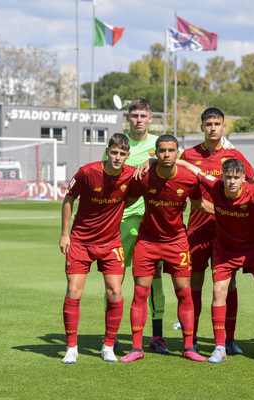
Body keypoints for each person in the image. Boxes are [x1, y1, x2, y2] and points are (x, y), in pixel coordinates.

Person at [179, 157, 254, 364]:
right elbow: (193, 169)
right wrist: (158, 161)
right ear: (222, 177)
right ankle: (220, 347)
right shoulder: (216, 187)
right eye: (228, 177)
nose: (231, 181)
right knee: (218, 292)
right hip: (225, 250)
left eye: (236, 177)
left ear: (243, 179)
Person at [119, 135, 212, 363]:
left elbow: (200, 204)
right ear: (155, 153)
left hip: (176, 242)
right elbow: (127, 200)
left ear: (177, 153)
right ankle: (136, 348)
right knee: (140, 293)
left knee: (184, 293)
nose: (166, 155)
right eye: (162, 151)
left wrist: (227, 214)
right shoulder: (144, 177)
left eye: (171, 150)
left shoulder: (189, 179)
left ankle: (189, 347)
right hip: (147, 242)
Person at [180, 108, 254, 355]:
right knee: (196, 284)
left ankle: (229, 339)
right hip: (198, 230)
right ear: (202, 126)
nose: (213, 128)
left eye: (217, 124)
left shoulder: (234, 156)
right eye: (209, 123)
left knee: (228, 285)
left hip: (226, 234)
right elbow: (174, 170)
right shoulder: (189, 155)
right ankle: (191, 338)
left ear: (224, 127)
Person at [60, 133, 135, 364]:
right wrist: (65, 234)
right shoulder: (88, 171)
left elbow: (138, 187)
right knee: (74, 291)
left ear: (127, 155)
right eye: (114, 152)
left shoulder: (131, 174)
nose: (117, 157)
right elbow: (68, 199)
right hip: (81, 241)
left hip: (111, 243)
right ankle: (72, 348)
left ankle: (108, 346)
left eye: (122, 154)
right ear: (107, 151)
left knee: (115, 292)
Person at [112, 98, 169, 354]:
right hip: (122, 220)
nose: (138, 120)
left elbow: (174, 162)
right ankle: (111, 335)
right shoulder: (118, 144)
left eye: (143, 115)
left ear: (150, 119)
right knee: (115, 278)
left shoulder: (158, 145)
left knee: (154, 278)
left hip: (151, 223)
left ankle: (157, 336)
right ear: (128, 118)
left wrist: (154, 160)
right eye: (134, 115)